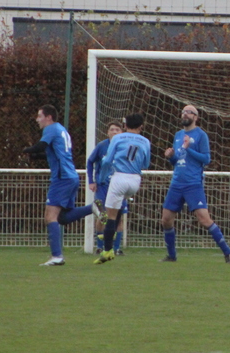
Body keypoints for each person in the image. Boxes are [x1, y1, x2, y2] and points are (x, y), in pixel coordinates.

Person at [24, 104, 102, 266]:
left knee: (50, 217)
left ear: (49, 117)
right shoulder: (61, 129)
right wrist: (36, 156)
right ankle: (92, 208)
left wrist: (27, 150)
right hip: (71, 176)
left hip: (62, 178)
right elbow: (55, 152)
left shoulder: (51, 129)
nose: (37, 119)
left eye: (39, 116)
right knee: (62, 218)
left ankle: (57, 256)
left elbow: (41, 146)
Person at [161, 105, 230, 263]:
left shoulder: (201, 135)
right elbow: (176, 161)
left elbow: (206, 159)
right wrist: (171, 156)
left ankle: (228, 254)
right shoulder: (178, 135)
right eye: (183, 112)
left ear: (196, 117)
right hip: (176, 183)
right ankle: (171, 256)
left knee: (204, 219)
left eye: (189, 112)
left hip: (193, 183)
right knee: (166, 219)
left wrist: (189, 149)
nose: (185, 114)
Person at [95, 114, 151, 264]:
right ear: (141, 127)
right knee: (119, 206)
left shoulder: (118, 138)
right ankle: (110, 233)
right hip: (135, 181)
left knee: (109, 216)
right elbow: (146, 164)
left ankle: (107, 250)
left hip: (119, 177)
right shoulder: (145, 141)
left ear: (125, 126)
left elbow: (107, 160)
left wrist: (102, 178)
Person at [87, 121, 125, 255]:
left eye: (117, 130)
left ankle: (116, 248)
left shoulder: (124, 146)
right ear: (107, 132)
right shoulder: (102, 146)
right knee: (102, 215)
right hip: (102, 187)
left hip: (119, 186)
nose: (114, 132)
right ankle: (100, 246)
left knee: (119, 217)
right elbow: (90, 162)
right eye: (112, 129)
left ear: (121, 132)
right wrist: (91, 181)